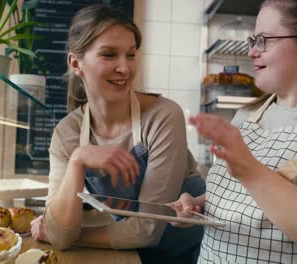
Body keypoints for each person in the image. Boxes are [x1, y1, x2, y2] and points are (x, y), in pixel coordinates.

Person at [171, 0, 297, 263]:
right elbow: (238, 199)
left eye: (265, 40)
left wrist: (250, 170)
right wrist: (197, 205)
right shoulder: (246, 116)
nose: (253, 52)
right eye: (253, 40)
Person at [29, 4, 205, 263]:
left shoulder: (163, 116)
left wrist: (70, 235)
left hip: (187, 254)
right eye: (110, 55)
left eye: (131, 55)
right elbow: (57, 231)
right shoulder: (67, 134)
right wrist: (78, 160)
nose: (125, 68)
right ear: (76, 63)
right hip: (126, 252)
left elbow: (148, 230)